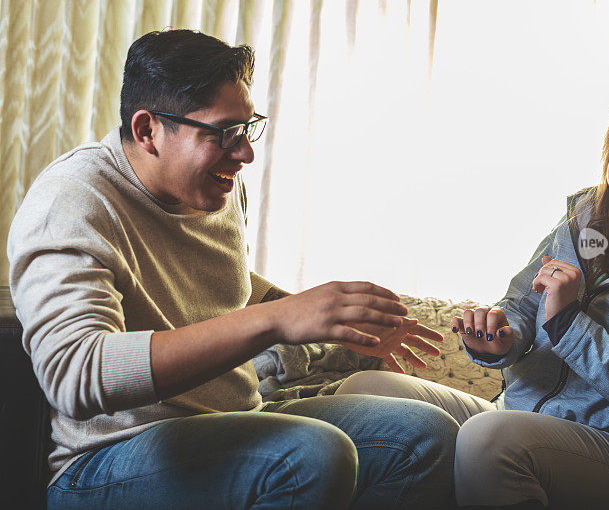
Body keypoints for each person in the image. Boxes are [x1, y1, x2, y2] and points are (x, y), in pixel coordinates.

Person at [7, 29, 459, 510]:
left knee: (426, 436)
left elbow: (222, 285)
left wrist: (326, 318)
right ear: (148, 131)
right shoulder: (74, 200)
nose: (243, 153)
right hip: (105, 461)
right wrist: (273, 322)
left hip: (233, 420)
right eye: (223, 133)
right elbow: (76, 374)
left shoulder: (213, 187)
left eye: (247, 128)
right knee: (311, 456)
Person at [336, 88, 609, 509]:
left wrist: (568, 324)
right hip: (520, 418)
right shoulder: (590, 218)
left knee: (488, 440)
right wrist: (503, 336)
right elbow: (524, 303)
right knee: (364, 395)